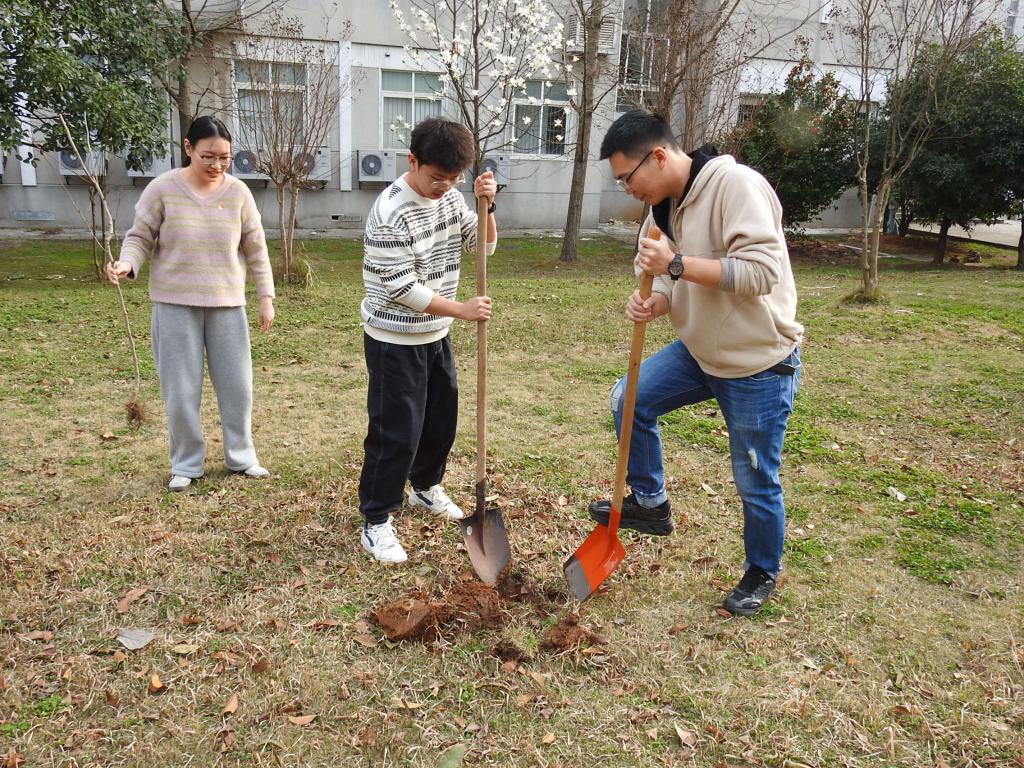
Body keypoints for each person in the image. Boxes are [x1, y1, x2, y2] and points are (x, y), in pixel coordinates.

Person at [590, 110, 803, 616]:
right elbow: (664, 279)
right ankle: (651, 503)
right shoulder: (661, 207)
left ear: (658, 156)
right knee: (628, 399)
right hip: (699, 351)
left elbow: (761, 273)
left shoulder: (736, 186)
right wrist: (657, 301)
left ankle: (762, 570)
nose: (627, 190)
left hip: (755, 361)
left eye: (628, 177)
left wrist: (677, 264)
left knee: (755, 477)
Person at [106, 115, 276, 492]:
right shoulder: (162, 189)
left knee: (237, 388)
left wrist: (266, 296)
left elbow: (256, 247)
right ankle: (186, 463)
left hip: (227, 305)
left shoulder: (238, 193)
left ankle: (241, 456)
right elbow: (139, 237)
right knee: (180, 390)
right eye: (207, 156)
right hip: (174, 305)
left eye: (224, 158)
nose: (216, 165)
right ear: (188, 148)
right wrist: (126, 263)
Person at [358, 117, 497, 564]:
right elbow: (402, 289)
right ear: (412, 161)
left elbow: (483, 247)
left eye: (453, 179)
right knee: (396, 430)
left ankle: (425, 486)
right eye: (437, 177)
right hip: (393, 338)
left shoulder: (452, 198)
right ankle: (376, 519)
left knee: (440, 421)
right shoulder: (389, 212)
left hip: (435, 335)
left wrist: (487, 207)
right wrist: (462, 309)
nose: (444, 187)